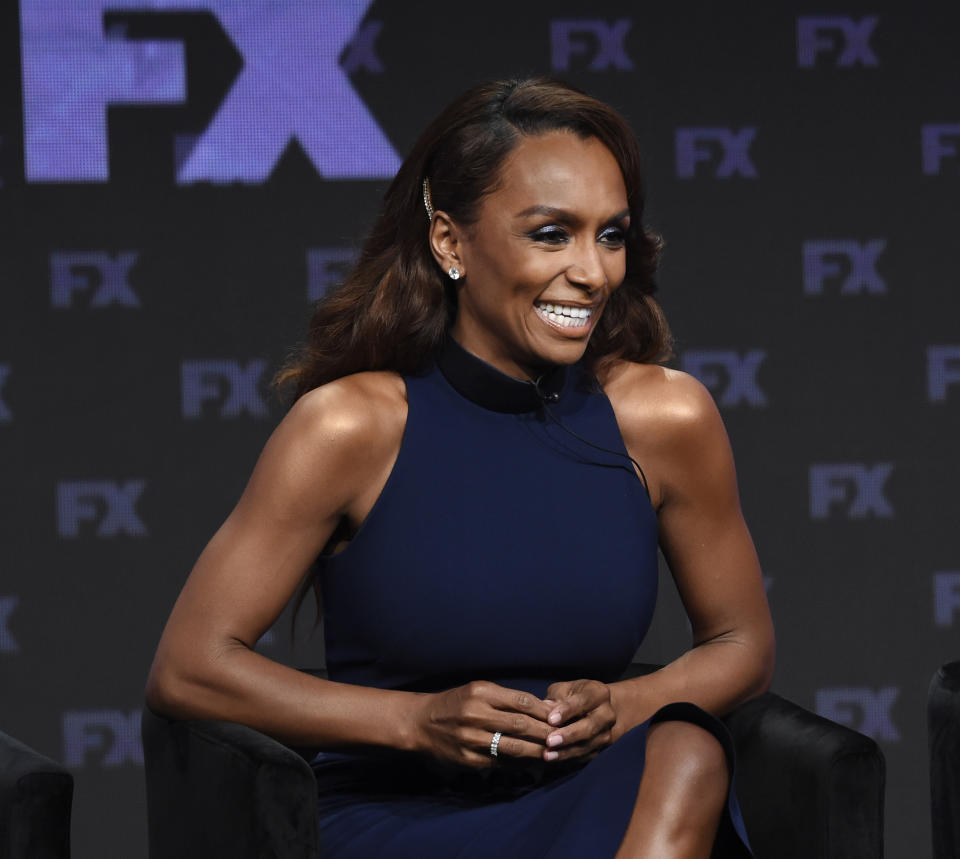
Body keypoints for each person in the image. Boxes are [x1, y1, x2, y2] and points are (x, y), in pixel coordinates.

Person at [145, 77, 775, 857]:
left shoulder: (667, 418)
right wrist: (412, 721)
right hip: (397, 812)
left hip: (593, 793)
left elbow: (743, 641)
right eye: (551, 234)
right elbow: (189, 668)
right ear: (449, 240)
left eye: (609, 235)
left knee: (687, 749)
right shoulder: (351, 425)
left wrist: (626, 701)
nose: (592, 273)